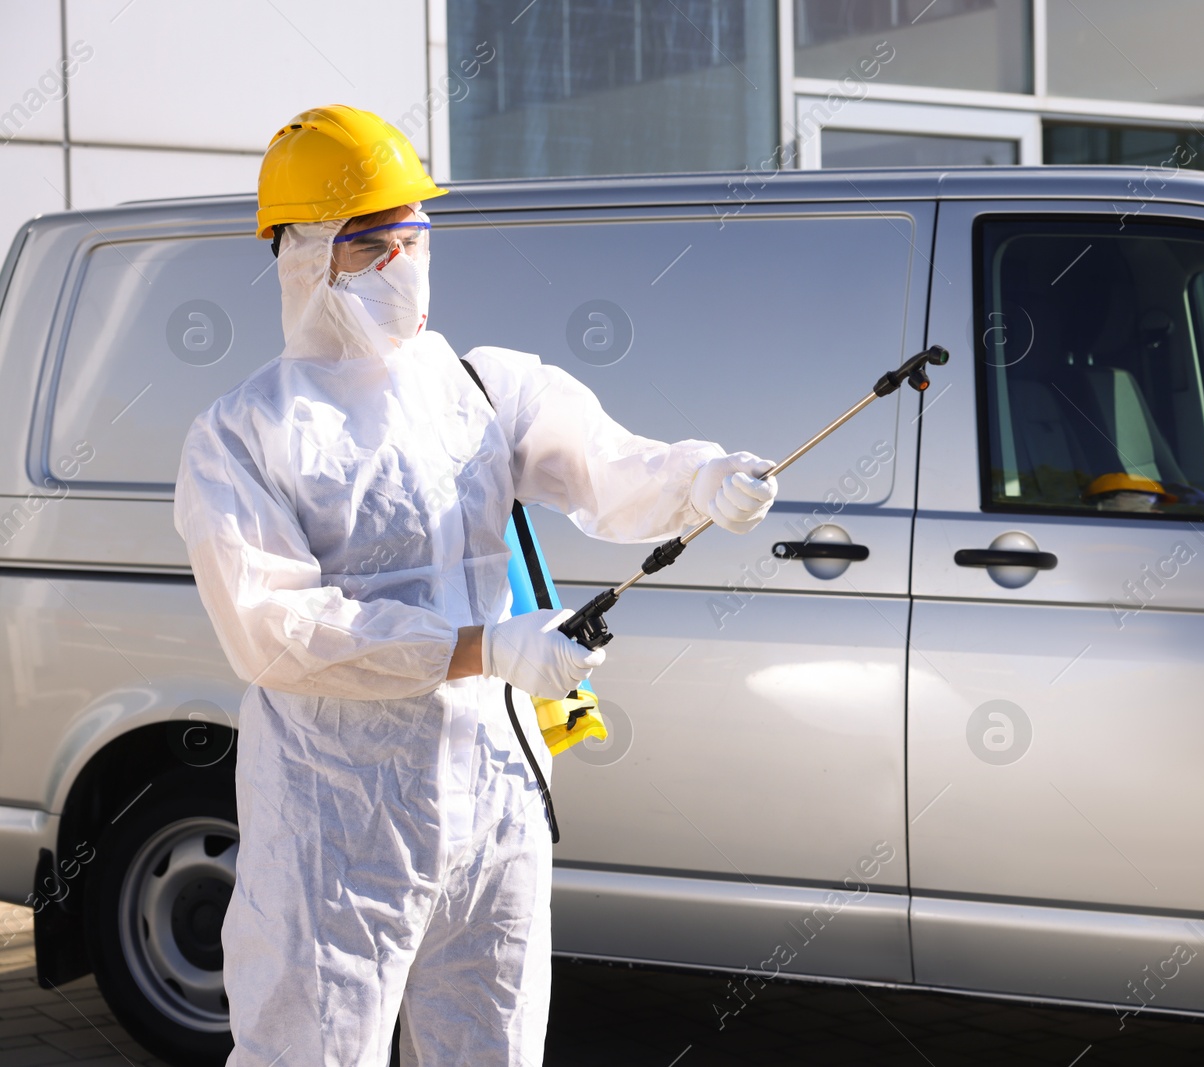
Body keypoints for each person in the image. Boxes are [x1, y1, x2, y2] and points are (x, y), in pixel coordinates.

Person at [173, 105, 778, 1066]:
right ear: (305, 256)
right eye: (375, 241)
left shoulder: (480, 387)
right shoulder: (243, 435)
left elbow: (608, 466)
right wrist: (483, 649)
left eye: (416, 234)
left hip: (494, 803)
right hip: (336, 826)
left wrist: (699, 479)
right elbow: (274, 628)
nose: (406, 260)